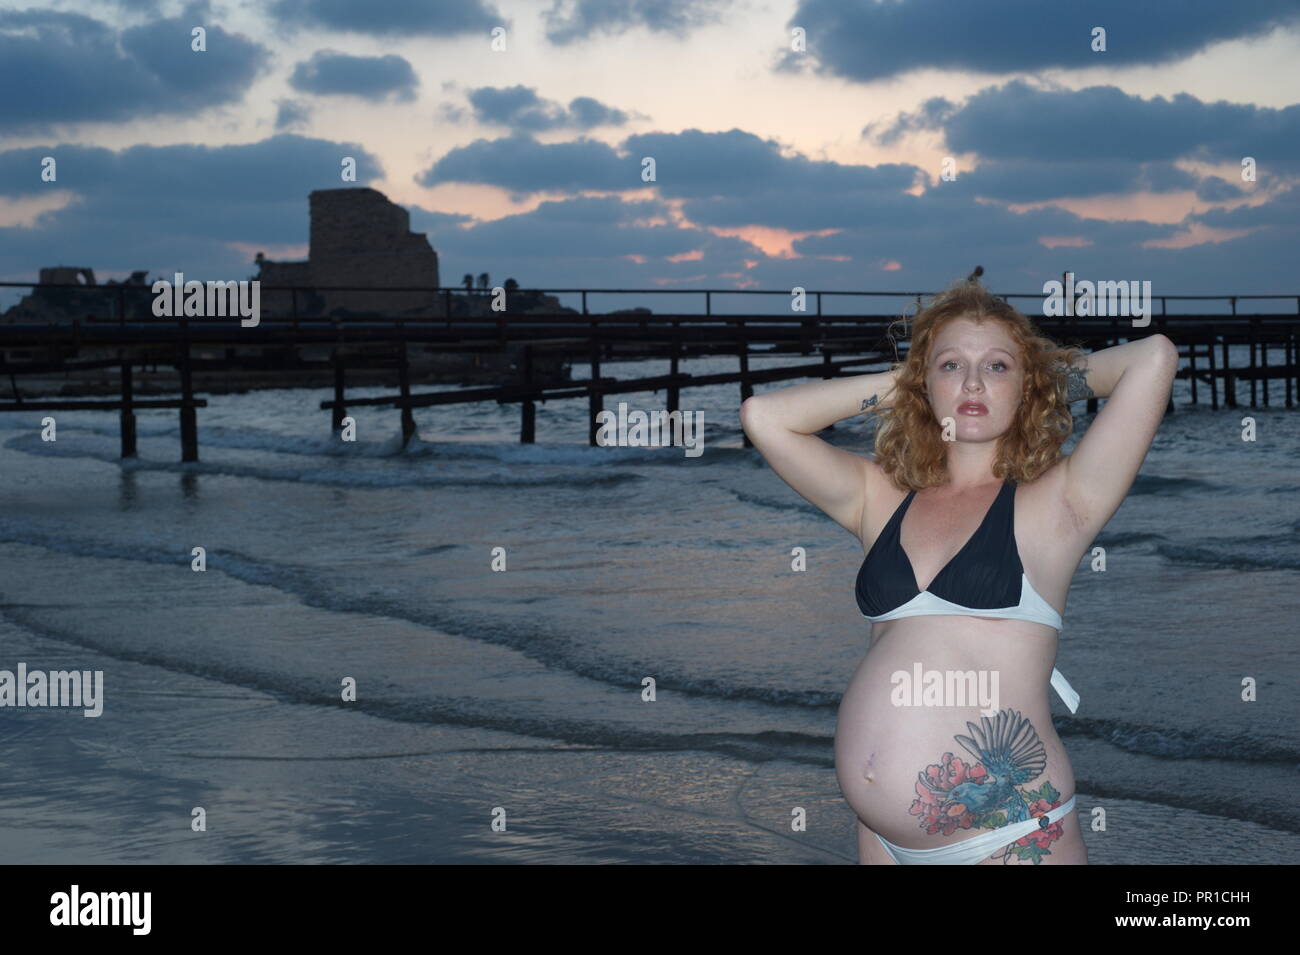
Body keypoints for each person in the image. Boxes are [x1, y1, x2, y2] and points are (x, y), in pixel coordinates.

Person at [739, 277, 1178, 864]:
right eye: (952, 366)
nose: (972, 382)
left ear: (1027, 386)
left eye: (996, 367)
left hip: (1009, 839)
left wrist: (1040, 381)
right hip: (881, 840)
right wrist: (912, 383)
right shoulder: (881, 498)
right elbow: (765, 417)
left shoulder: (1059, 503)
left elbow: (1153, 358)